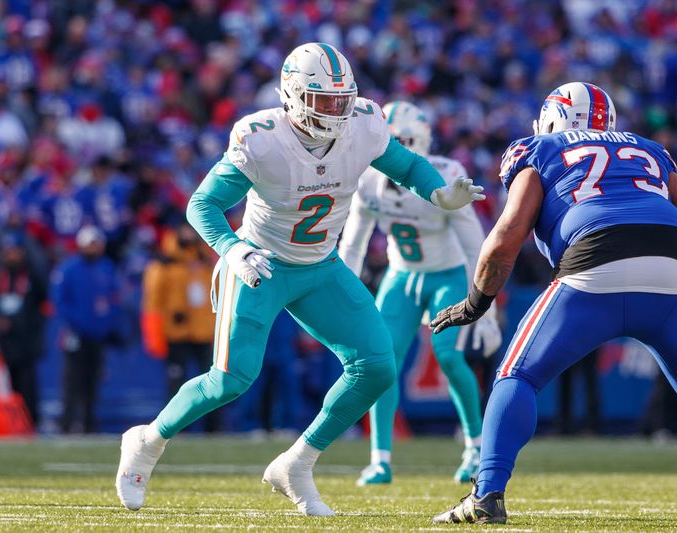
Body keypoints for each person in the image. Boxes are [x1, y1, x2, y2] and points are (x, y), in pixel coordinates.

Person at [115, 42, 484, 516]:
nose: (336, 110)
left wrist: (438, 193)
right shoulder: (262, 137)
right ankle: (147, 441)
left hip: (320, 266)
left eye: (342, 100)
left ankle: (298, 462)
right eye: (324, 100)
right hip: (261, 264)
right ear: (291, 95)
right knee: (231, 378)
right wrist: (234, 249)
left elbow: (406, 164)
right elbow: (201, 204)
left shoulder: (364, 124)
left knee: (377, 367)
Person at [429, 82, 677, 524]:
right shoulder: (651, 150)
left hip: (594, 265)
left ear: (550, 120)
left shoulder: (539, 149)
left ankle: (486, 496)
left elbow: (505, 239)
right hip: (670, 266)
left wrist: (475, 303)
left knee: (516, 376)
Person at [338, 101, 503, 486]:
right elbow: (353, 247)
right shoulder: (368, 181)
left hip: (447, 276)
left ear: (423, 143)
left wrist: (487, 308)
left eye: (405, 142)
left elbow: (473, 246)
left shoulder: (446, 176)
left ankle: (475, 448)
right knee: (380, 363)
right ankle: (380, 458)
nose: (398, 151)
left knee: (448, 356)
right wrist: (339, 297)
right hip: (401, 277)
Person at [141, 224, 219, 431]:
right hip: (175, 333)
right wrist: (154, 336)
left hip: (203, 332)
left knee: (213, 382)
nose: (189, 234)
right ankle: (176, 427)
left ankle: (214, 428)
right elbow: (153, 303)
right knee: (177, 382)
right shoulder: (163, 265)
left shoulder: (205, 260)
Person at [51, 225, 121, 433]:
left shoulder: (106, 267)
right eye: (90, 243)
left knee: (93, 379)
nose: (94, 247)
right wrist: (79, 323)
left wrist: (107, 324)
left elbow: (114, 299)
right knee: (72, 379)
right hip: (75, 333)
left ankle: (89, 423)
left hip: (98, 334)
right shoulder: (68, 269)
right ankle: (67, 422)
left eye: (97, 243)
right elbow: (60, 302)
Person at [0, 230, 48, 425]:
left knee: (28, 383)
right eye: (8, 251)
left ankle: (31, 421)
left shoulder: (32, 274)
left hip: (27, 339)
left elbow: (43, 302)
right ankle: (14, 423)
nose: (11, 255)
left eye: (15, 251)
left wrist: (34, 326)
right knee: (10, 382)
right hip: (7, 340)